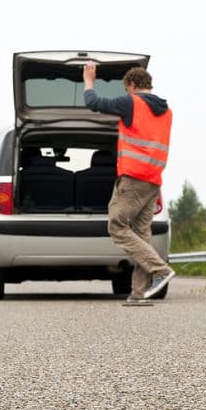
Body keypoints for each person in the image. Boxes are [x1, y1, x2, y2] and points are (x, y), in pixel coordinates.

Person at [82, 61, 175, 303]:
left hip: (133, 179)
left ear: (132, 86)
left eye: (126, 89)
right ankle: (139, 292)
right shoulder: (166, 111)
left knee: (116, 226)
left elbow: (94, 103)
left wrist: (89, 81)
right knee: (141, 234)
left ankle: (160, 269)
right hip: (153, 180)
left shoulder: (131, 102)